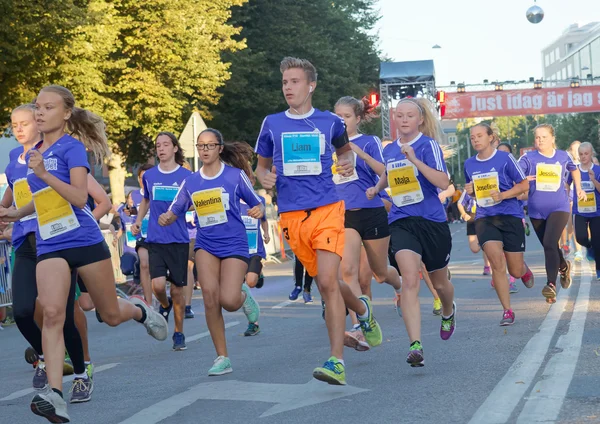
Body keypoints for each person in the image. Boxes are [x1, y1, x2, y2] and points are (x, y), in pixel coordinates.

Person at [0, 86, 167, 423]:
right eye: (38, 107)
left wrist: (44, 173)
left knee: (108, 314)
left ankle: (137, 310)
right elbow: (45, 197)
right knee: (50, 314)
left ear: (65, 114)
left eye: (49, 107)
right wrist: (17, 214)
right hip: (50, 243)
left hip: (83, 239)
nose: (41, 113)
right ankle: (55, 395)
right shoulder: (29, 154)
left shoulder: (71, 149)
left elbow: (78, 198)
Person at [255, 57, 382, 385]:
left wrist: (345, 163)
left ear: (311, 85)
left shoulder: (329, 123)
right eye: (285, 82)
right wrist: (264, 178)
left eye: (295, 81)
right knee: (329, 282)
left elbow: (345, 154)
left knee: (327, 282)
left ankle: (336, 361)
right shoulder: (271, 124)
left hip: (327, 209)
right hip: (291, 216)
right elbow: (261, 167)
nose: (288, 87)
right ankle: (363, 310)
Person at [159, 129, 263, 375]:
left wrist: (258, 209)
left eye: (209, 145)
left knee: (228, 300)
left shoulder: (235, 177)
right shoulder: (191, 181)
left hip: (234, 244)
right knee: (209, 296)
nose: (204, 150)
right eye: (200, 146)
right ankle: (222, 357)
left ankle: (244, 298)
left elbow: (256, 201)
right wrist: (167, 217)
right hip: (206, 244)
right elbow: (176, 209)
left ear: (219, 148)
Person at [367, 97, 456, 367]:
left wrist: (415, 160)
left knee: (440, 283)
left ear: (419, 120)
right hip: (402, 219)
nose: (404, 119)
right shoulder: (390, 149)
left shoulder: (427, 145)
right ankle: (415, 344)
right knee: (410, 279)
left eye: (409, 116)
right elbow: (388, 173)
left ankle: (449, 310)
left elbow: (443, 182)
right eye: (399, 115)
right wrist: (377, 188)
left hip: (431, 221)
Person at [333, 96, 402, 351]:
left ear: (358, 119)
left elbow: (385, 170)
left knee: (380, 273)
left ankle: (400, 285)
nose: (341, 121)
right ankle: (360, 324)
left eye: (347, 117)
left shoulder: (369, 141)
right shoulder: (327, 145)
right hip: (343, 214)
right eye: (337, 116)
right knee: (347, 271)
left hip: (371, 211)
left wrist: (357, 152)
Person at [464, 123, 534, 325]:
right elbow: (475, 190)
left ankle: (523, 270)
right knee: (496, 262)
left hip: (510, 215)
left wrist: (503, 195)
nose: (475, 139)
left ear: (490, 137)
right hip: (485, 218)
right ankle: (507, 311)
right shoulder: (469, 163)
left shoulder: (505, 159)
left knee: (515, 270)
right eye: (472, 137)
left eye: (479, 135)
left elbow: (523, 184)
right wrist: (471, 190)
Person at [131, 132, 192, 351]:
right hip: (155, 238)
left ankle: (179, 333)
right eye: (158, 145)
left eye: (166, 144)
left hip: (178, 239)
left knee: (177, 290)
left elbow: (194, 202)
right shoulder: (150, 176)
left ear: (175, 148)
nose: (161, 149)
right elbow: (146, 199)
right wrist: (138, 220)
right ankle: (164, 305)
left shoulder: (187, 176)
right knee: (158, 286)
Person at [518, 124, 585, 303]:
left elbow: (574, 169)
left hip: (559, 207)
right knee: (550, 247)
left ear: (552, 138)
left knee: (549, 242)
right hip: (536, 210)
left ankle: (551, 285)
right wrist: (523, 179)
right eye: (537, 138)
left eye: (544, 137)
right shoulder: (528, 158)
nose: (540, 140)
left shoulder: (563, 156)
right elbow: (515, 175)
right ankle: (563, 266)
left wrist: (577, 187)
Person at [241, 180, 270, 337]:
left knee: (251, 282)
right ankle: (254, 323)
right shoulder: (229, 198)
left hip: (255, 249)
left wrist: (266, 233)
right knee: (240, 287)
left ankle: (258, 272)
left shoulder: (259, 201)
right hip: (237, 250)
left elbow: (264, 220)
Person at [125, 164, 154, 305]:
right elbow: (129, 214)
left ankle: (160, 295)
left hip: (159, 236)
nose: (145, 180)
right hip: (142, 236)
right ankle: (148, 302)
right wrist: (132, 220)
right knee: (144, 264)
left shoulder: (158, 192)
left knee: (157, 270)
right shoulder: (134, 195)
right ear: (138, 179)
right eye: (142, 178)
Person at [571, 142, 600, 278]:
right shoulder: (575, 170)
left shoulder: (598, 170)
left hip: (596, 212)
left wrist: (593, 180)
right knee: (581, 238)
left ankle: (599, 270)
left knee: (598, 241)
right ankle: (589, 247)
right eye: (581, 154)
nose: (583, 157)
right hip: (580, 211)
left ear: (591, 154)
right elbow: (565, 184)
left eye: (586, 154)